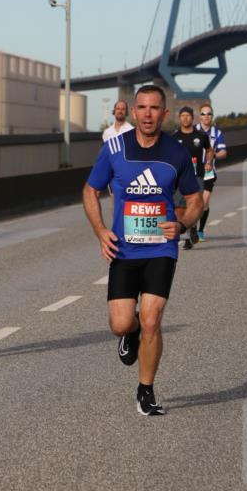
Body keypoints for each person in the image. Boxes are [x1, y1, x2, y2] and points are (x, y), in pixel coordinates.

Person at [83, 85, 203, 416]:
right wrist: (100, 231)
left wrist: (182, 224)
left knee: (152, 319)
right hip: (124, 250)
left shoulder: (176, 153)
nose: (148, 114)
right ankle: (130, 332)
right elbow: (90, 190)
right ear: (133, 112)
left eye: (154, 108)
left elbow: (195, 199)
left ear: (165, 114)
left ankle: (146, 389)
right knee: (122, 324)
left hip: (161, 248)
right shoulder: (114, 148)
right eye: (142, 108)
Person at [172, 106, 212, 247]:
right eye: (182, 115)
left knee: (194, 205)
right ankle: (189, 234)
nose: (185, 118)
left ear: (192, 117)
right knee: (179, 209)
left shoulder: (201, 136)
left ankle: (190, 234)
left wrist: (208, 162)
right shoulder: (175, 137)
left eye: (188, 115)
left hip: (196, 176)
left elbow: (209, 150)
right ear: (180, 118)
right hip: (179, 177)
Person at [195, 103, 227, 239]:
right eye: (203, 113)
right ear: (199, 116)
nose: (206, 116)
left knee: (204, 202)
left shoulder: (217, 133)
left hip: (208, 171)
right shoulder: (192, 130)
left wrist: (212, 155)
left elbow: (223, 153)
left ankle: (200, 229)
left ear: (212, 116)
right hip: (193, 171)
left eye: (209, 114)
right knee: (193, 202)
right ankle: (191, 227)